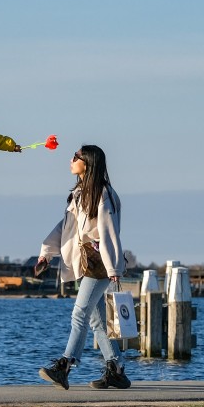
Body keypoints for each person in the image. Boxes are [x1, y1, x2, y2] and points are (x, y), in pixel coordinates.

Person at [34, 144, 130, 390]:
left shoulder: (102, 194)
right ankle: (116, 370)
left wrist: (114, 269)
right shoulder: (79, 192)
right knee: (96, 320)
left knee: (79, 313)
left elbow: (109, 232)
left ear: (87, 163)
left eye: (75, 157)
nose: (71, 159)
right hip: (87, 261)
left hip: (99, 263)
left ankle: (64, 366)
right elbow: (65, 227)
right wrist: (46, 253)